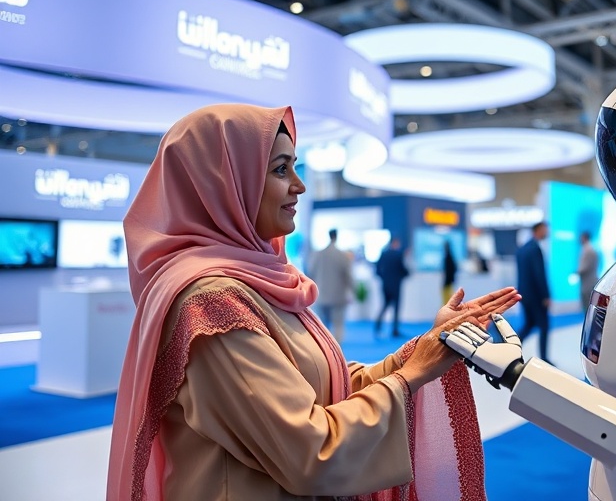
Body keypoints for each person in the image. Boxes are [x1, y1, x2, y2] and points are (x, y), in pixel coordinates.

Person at [106, 103, 521, 501]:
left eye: (294, 167)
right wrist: (410, 376)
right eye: (280, 169)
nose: (299, 185)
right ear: (224, 184)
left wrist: (424, 349)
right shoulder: (212, 304)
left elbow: (325, 391)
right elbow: (312, 450)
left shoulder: (256, 283)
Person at [307, 228, 353, 342]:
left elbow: (310, 273)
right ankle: (337, 353)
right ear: (336, 237)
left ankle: (325, 351)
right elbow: (348, 276)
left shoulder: (318, 254)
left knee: (323, 327)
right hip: (338, 296)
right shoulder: (342, 255)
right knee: (338, 326)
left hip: (321, 295)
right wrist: (354, 291)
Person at [515, 221, 552, 362]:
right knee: (544, 326)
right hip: (537, 296)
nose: (547, 232)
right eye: (545, 229)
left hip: (525, 294)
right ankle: (544, 358)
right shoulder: (535, 249)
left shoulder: (522, 249)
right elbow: (539, 274)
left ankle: (512, 350)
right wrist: (546, 295)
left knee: (529, 324)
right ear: (538, 230)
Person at [375, 237, 409, 338]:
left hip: (385, 285)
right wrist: (406, 274)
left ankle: (377, 325)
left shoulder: (384, 254)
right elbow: (403, 269)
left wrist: (384, 278)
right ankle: (394, 330)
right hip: (396, 285)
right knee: (396, 308)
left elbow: (377, 269)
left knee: (385, 305)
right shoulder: (398, 255)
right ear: (395, 243)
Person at [576, 230, 599, 312]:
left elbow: (584, 267)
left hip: (588, 283)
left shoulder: (588, 250)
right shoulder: (589, 248)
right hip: (589, 281)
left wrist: (576, 272)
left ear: (584, 238)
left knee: (588, 307)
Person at [442, 240, 458, 305]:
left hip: (448, 282)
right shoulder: (450, 257)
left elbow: (451, 270)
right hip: (449, 281)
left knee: (448, 300)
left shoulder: (448, 257)